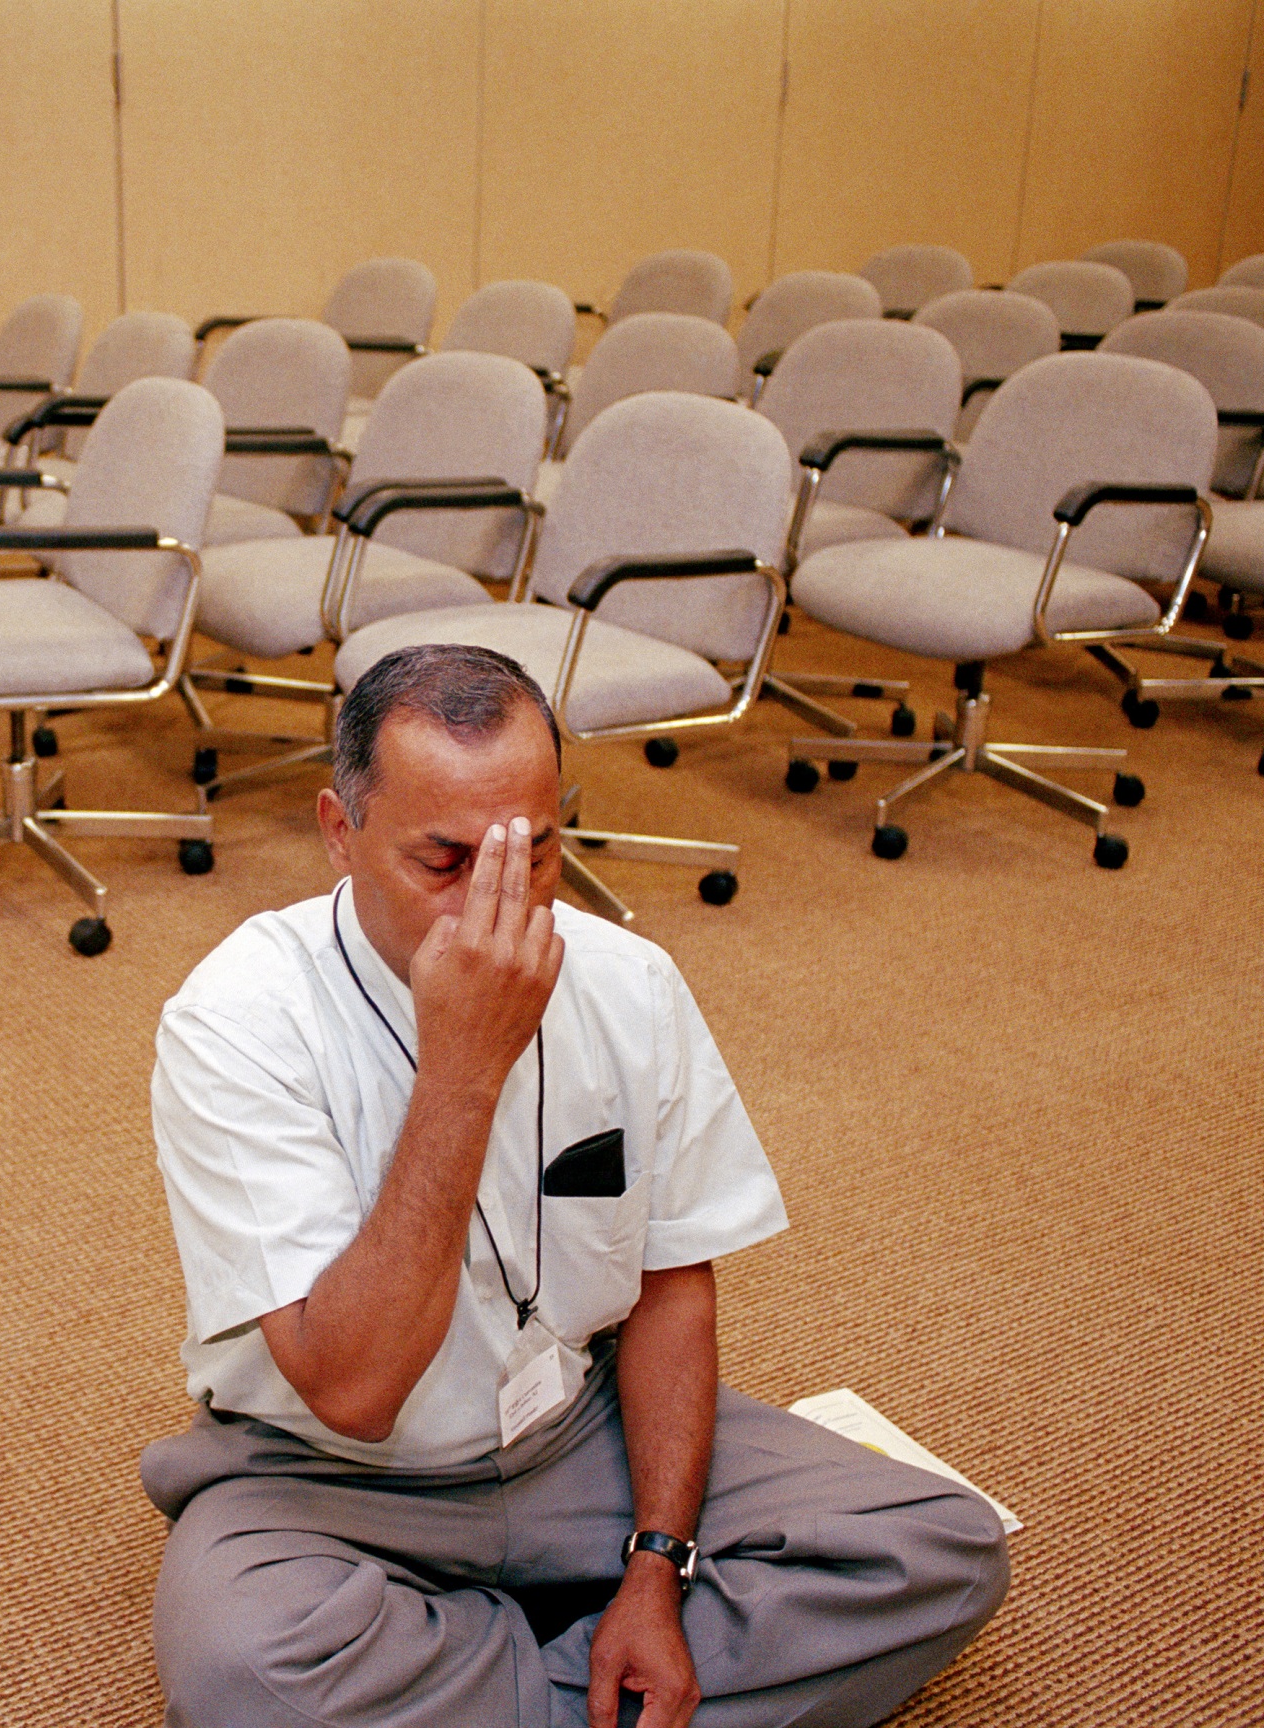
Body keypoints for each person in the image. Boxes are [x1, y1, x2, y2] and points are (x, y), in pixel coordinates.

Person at [143, 644, 1009, 1728]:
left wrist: (655, 1565)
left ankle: (495, 1663)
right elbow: (348, 1389)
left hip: (574, 1432)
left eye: (536, 853)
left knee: (940, 1547)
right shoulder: (234, 1024)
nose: (497, 906)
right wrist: (463, 1065)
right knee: (248, 1678)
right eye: (445, 861)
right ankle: (585, 1675)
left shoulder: (629, 981)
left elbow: (671, 1288)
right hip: (328, 1478)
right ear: (338, 832)